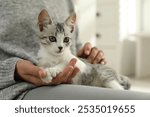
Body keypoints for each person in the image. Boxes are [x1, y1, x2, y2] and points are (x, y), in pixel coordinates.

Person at [0, 0, 150, 100]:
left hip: (75, 79)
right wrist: (13, 71)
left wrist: (83, 55)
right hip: (19, 89)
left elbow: (71, 44)